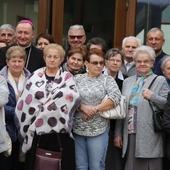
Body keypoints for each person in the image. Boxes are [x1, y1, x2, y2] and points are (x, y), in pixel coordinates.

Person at [14, 43, 81, 170]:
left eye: (56, 57)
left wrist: (45, 108)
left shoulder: (67, 78)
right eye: (49, 56)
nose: (52, 59)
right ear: (44, 58)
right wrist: (44, 109)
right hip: (36, 130)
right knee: (36, 164)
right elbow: (26, 101)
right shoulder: (34, 76)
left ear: (61, 59)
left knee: (59, 164)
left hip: (58, 130)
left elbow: (70, 99)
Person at [114, 45, 169, 170]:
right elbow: (121, 109)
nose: (142, 64)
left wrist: (152, 96)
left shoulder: (159, 80)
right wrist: (118, 133)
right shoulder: (128, 82)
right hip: (130, 132)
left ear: (152, 63)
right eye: (139, 61)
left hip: (150, 134)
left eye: (146, 61)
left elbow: (167, 106)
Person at [73, 48, 121, 170]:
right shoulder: (77, 79)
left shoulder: (107, 80)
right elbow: (69, 97)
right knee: (81, 166)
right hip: (78, 128)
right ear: (86, 63)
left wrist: (94, 109)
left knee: (96, 166)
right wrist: (82, 107)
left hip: (99, 129)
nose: (99, 66)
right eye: (95, 63)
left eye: (101, 63)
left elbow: (115, 98)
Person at [0, 46, 31, 170]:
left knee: (22, 166)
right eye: (13, 61)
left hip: (27, 130)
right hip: (6, 129)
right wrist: (21, 113)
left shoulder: (33, 79)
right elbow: (2, 107)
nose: (17, 64)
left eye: (20, 61)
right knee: (6, 165)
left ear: (24, 62)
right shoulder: (1, 79)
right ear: (7, 62)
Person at [104, 48, 126, 170]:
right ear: (106, 61)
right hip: (98, 126)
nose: (115, 63)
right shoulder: (98, 78)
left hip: (116, 127)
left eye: (118, 60)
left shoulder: (126, 81)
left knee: (114, 162)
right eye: (112, 59)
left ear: (122, 63)